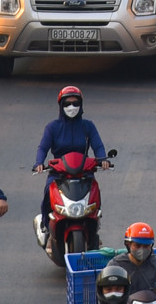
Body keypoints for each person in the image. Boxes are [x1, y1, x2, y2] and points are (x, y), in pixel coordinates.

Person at [33, 85, 108, 226]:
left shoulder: (88, 126)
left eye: (75, 103)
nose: (72, 107)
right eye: (67, 104)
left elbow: (98, 146)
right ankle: (47, 227)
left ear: (81, 105)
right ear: (61, 106)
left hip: (83, 172)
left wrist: (103, 159)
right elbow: (43, 148)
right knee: (48, 193)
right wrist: (39, 162)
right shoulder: (52, 127)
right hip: (59, 173)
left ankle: (94, 227)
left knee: (95, 192)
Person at [109, 223, 156, 300]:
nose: (142, 250)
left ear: (151, 246)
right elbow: (107, 293)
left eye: (146, 246)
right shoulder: (116, 265)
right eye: (137, 245)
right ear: (128, 244)